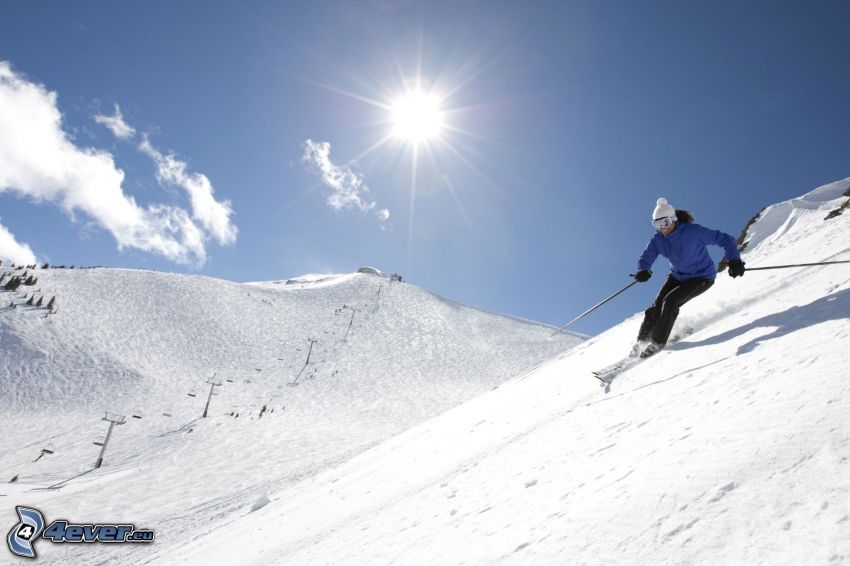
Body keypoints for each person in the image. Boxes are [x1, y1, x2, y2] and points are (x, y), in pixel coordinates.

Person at [632, 197, 745, 358]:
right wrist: (643, 269)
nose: (661, 229)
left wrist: (734, 260)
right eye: (656, 225)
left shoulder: (693, 232)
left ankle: (657, 342)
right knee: (656, 306)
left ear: (672, 220)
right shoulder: (658, 239)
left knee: (670, 302)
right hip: (677, 276)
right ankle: (641, 342)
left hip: (701, 276)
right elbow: (647, 256)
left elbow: (726, 239)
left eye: (664, 223)